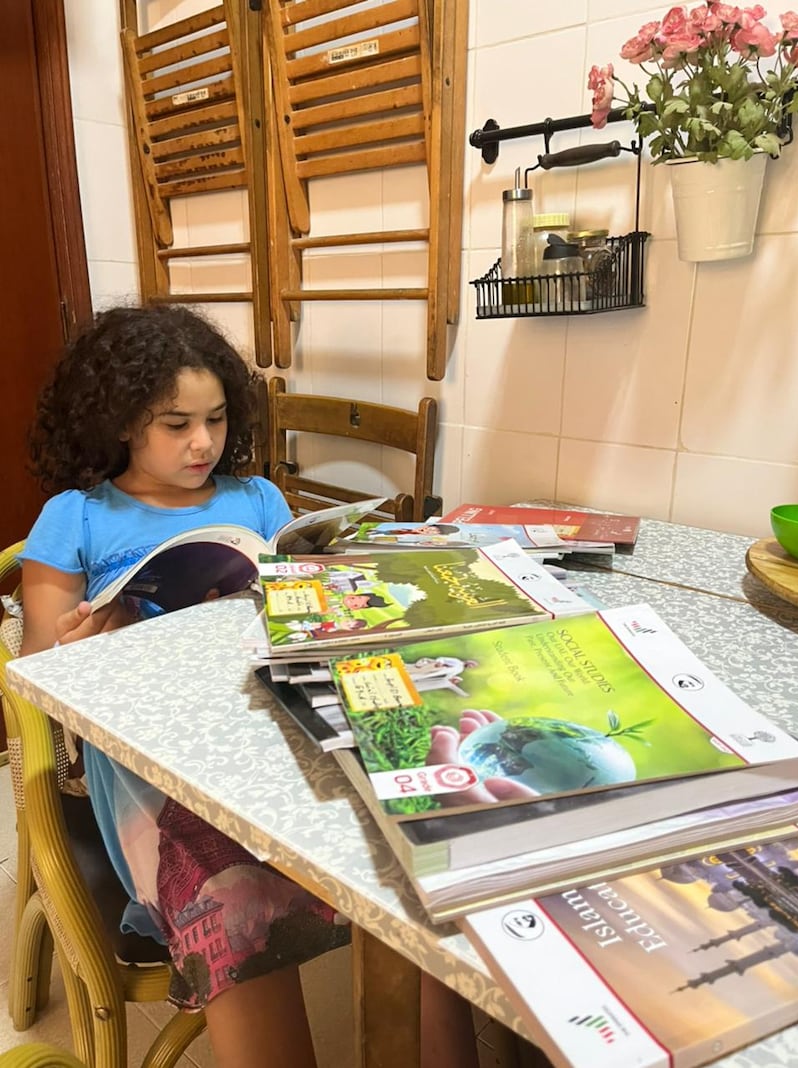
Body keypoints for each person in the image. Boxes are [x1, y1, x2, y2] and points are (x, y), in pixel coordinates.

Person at [19, 304, 478, 1068]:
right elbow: (38, 677)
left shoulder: (257, 501)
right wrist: (86, 642)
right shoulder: (77, 518)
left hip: (267, 724)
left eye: (217, 419)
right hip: (152, 766)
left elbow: (298, 621)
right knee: (230, 901)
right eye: (175, 424)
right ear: (124, 421)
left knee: (419, 840)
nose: (203, 443)